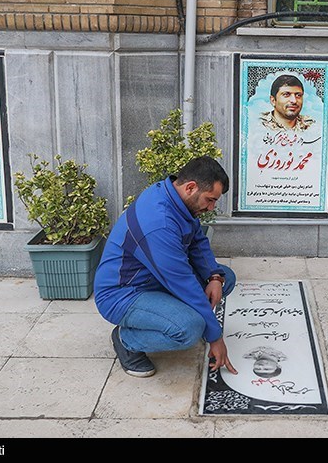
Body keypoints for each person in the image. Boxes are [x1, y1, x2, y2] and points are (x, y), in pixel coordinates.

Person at [94, 155, 239, 378]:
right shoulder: (158, 222)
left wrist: (214, 276)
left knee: (225, 278)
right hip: (123, 294)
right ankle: (126, 340)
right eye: (210, 200)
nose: (211, 207)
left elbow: (197, 241)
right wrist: (215, 337)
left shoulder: (174, 197)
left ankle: (167, 314)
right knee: (189, 328)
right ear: (191, 187)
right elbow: (183, 283)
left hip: (154, 279)